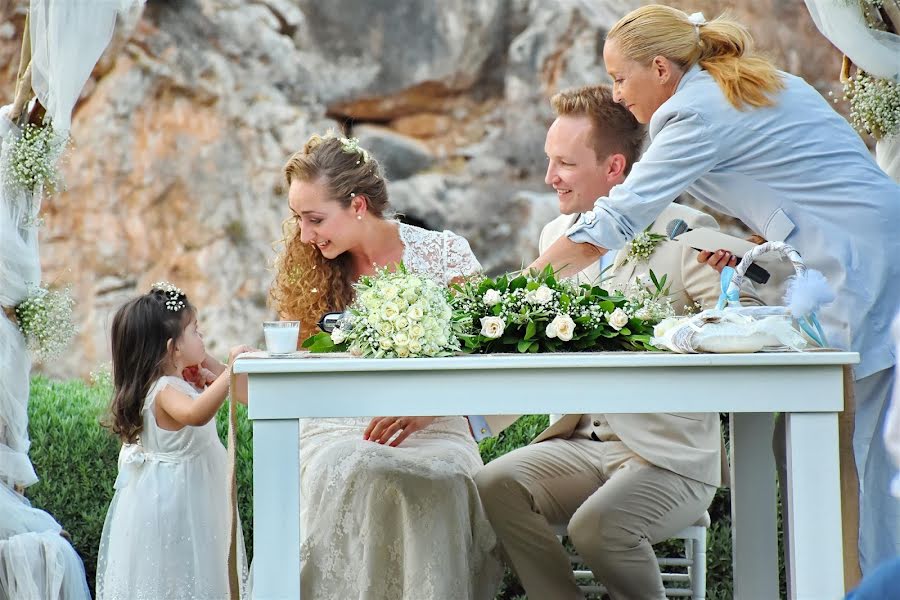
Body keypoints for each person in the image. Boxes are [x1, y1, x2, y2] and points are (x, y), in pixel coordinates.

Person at [530, 4, 900, 573]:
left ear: (660, 68)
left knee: (847, 449)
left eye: (619, 78)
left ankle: (864, 583)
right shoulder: (741, 86)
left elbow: (615, 221)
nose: (617, 93)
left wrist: (516, 291)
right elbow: (794, 184)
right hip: (857, 251)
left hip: (862, 266)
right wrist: (751, 246)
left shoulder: (693, 113)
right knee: (821, 446)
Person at [474, 84, 760, 600]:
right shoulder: (553, 239)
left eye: (564, 163)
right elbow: (531, 344)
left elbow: (747, 317)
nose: (549, 177)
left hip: (666, 456)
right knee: (496, 485)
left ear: (614, 169)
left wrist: (734, 287)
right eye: (548, 160)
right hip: (582, 443)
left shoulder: (683, 230)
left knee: (596, 528)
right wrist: (471, 420)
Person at [269, 133, 501, 600]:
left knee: (440, 484)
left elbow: (488, 361)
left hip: (437, 429)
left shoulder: (444, 255)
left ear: (357, 205)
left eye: (314, 219)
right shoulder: (310, 271)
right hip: (337, 428)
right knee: (354, 468)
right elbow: (292, 366)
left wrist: (430, 409)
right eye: (298, 220)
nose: (304, 236)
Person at [96, 282, 252, 600]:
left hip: (186, 498)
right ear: (173, 348)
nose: (203, 339)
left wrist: (209, 378)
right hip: (180, 507)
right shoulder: (165, 389)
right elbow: (196, 414)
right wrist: (230, 371)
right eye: (196, 331)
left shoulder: (168, 383)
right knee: (182, 578)